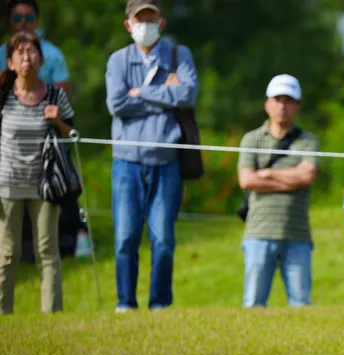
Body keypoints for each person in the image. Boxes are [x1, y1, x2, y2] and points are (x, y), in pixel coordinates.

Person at [105, 0, 199, 312]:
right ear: (128, 24)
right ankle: (125, 303)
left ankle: (160, 303)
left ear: (161, 22)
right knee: (125, 238)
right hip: (126, 162)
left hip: (166, 160)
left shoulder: (179, 55)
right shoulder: (118, 60)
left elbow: (188, 94)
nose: (145, 25)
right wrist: (166, 96)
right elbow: (117, 104)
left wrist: (141, 92)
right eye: (139, 19)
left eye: (151, 18)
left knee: (163, 239)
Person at [0, 0, 93, 260]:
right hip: (12, 140)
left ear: (37, 21)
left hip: (47, 136)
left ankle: (78, 235)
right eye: (17, 18)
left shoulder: (52, 54)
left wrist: (49, 114)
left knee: (62, 184)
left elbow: (63, 96)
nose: (23, 23)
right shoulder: (1, 53)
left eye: (29, 18)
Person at [0, 31, 75, 314]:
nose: (26, 57)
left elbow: (71, 136)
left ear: (41, 60)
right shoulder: (3, 95)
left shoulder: (54, 95)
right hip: (7, 183)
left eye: (31, 51)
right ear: (10, 62)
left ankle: (51, 316)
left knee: (47, 251)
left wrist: (58, 122)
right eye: (19, 52)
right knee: (8, 253)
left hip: (45, 184)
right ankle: (3, 314)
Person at [236, 74, 320, 308]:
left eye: (288, 100)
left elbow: (307, 176)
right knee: (253, 302)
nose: (282, 106)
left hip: (297, 233)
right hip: (259, 230)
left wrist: (268, 174)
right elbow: (246, 180)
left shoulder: (308, 141)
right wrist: (292, 180)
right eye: (277, 100)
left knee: (301, 302)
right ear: (267, 104)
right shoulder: (252, 139)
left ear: (297, 106)